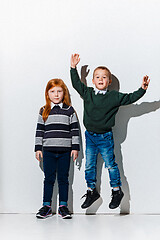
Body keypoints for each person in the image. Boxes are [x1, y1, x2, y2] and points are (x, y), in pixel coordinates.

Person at [70, 53, 150, 210]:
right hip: (90, 137)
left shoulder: (114, 96)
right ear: (93, 81)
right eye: (98, 77)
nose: (101, 79)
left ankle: (116, 191)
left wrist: (142, 89)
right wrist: (73, 68)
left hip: (105, 137)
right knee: (89, 165)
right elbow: (76, 84)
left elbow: (131, 98)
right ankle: (91, 191)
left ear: (109, 81)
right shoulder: (88, 93)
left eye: (104, 77)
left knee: (111, 165)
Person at [35, 78, 80, 219]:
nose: (56, 94)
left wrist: (75, 148)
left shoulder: (69, 110)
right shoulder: (44, 110)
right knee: (48, 179)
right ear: (47, 94)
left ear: (64, 93)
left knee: (63, 179)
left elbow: (74, 130)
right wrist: (38, 148)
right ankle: (47, 206)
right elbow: (39, 130)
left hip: (65, 151)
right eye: (52, 91)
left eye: (59, 91)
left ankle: (63, 206)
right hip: (48, 151)